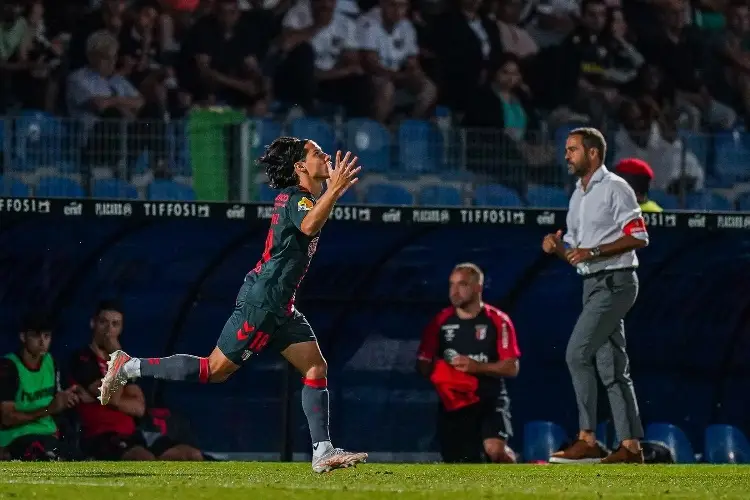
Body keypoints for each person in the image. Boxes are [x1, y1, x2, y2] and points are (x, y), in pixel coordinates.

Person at [97, 137, 367, 473]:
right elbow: (310, 224)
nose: (325, 156)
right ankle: (128, 366)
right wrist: (336, 188)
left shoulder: (308, 198)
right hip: (264, 302)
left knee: (315, 368)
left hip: (281, 304)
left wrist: (333, 191)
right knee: (214, 371)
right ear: (300, 166)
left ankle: (322, 451)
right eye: (317, 153)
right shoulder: (295, 198)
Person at [541, 127, 648, 464]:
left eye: (572, 149)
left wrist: (595, 251)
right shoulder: (577, 196)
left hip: (616, 282)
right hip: (592, 284)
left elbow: (639, 236)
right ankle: (630, 448)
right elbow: (577, 253)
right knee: (613, 368)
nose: (566, 156)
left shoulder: (616, 187)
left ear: (592, 153)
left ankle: (587, 439)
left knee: (576, 354)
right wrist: (558, 248)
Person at [68, 301, 204, 461]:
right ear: (93, 323)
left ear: (121, 329)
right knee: (144, 459)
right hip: (102, 436)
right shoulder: (82, 359)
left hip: (134, 435)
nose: (108, 330)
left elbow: (139, 407)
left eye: (115, 324)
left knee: (191, 455)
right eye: (103, 322)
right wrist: (117, 356)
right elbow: (111, 396)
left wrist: (106, 398)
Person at [416, 263, 520, 464]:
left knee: (496, 451)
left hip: (489, 398)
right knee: (460, 461)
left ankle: (520, 487)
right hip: (455, 403)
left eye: (462, 284)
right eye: (451, 284)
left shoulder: (498, 320)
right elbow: (423, 364)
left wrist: (477, 367)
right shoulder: (440, 321)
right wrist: (442, 372)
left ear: (478, 288)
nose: (454, 290)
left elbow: (512, 367)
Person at [0, 315, 79, 461]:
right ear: (23, 337)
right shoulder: (8, 367)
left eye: (47, 336)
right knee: (47, 457)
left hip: (47, 436)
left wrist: (67, 400)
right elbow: (6, 418)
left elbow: (59, 402)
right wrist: (49, 409)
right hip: (17, 438)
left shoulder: (51, 363)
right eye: (36, 336)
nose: (42, 342)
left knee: (84, 462)